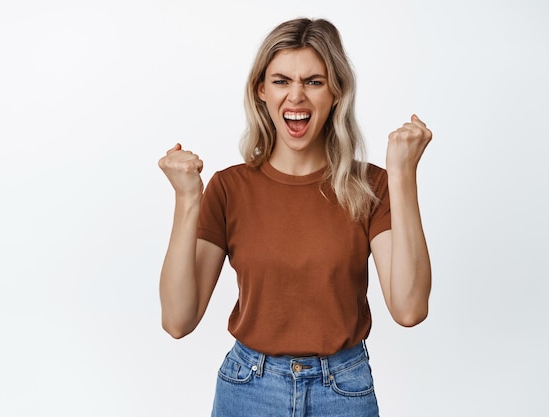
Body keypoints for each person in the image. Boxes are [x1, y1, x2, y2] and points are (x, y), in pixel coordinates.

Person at [158, 17, 432, 417]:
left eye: (314, 81)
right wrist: (186, 200)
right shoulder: (229, 188)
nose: (296, 97)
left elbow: (409, 309)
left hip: (343, 390)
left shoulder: (372, 185)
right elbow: (177, 320)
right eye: (282, 81)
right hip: (247, 388)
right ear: (261, 90)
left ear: (336, 92)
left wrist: (404, 174)